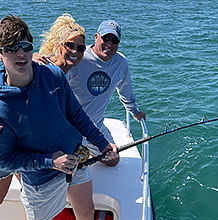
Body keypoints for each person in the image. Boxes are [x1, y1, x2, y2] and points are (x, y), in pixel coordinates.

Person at [0, 15, 118, 220]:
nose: (20, 54)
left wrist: (102, 144)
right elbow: (0, 160)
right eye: (11, 49)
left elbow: (76, 115)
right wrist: (49, 161)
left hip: (75, 157)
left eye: (25, 46)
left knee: (86, 209)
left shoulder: (53, 74)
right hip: (42, 178)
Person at [36, 19, 146, 166]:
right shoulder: (77, 55)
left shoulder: (121, 63)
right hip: (71, 125)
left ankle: (85, 150)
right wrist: (32, 57)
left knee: (113, 160)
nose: (109, 44)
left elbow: (125, 89)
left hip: (96, 125)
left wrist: (134, 110)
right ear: (96, 37)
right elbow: (55, 63)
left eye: (114, 40)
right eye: (106, 38)